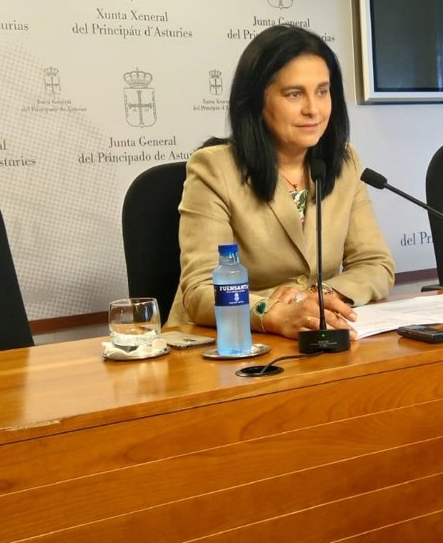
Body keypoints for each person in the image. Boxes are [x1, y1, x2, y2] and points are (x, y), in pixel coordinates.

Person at [167, 24, 394, 340]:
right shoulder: (214, 168)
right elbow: (201, 290)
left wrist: (317, 294)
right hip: (229, 343)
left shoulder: (344, 162)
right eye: (294, 94)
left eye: (322, 91)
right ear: (257, 100)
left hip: (310, 337)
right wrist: (272, 313)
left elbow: (375, 264)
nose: (313, 109)